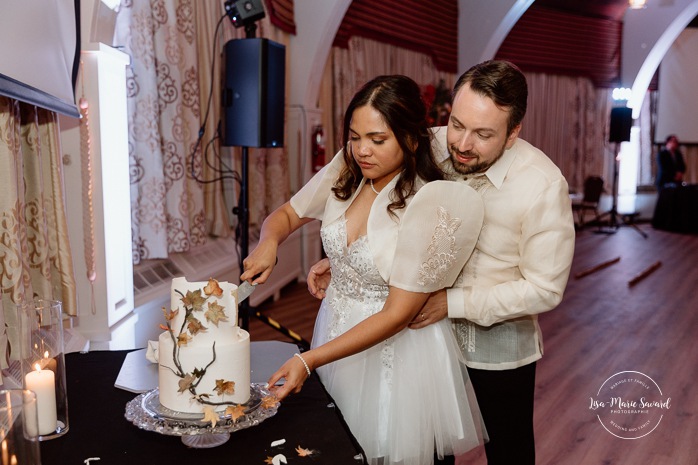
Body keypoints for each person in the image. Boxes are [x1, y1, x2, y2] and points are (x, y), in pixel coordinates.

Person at [308, 61, 576, 465]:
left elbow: (544, 288)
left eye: (484, 134)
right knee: (430, 447)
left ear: (514, 131)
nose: (463, 144)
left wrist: (451, 303)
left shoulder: (542, 185)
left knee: (509, 450)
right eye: (457, 123)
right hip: (419, 340)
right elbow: (391, 212)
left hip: (494, 344)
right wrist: (349, 260)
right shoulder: (431, 143)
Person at [241, 75, 486, 465]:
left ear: (410, 138)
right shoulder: (347, 170)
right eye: (354, 137)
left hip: (397, 353)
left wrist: (310, 359)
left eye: (377, 139)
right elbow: (287, 214)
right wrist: (269, 243)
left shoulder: (427, 202)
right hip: (336, 332)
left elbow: (399, 314)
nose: (361, 150)